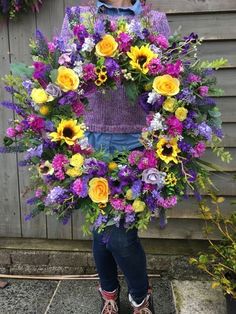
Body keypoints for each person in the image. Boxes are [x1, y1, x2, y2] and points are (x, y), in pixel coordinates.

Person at [60, 1, 171, 313]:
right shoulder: (78, 16)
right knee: (100, 227)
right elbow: (62, 75)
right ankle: (108, 292)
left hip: (136, 140)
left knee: (121, 234)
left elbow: (168, 87)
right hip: (88, 137)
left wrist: (162, 140)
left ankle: (139, 295)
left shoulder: (153, 20)